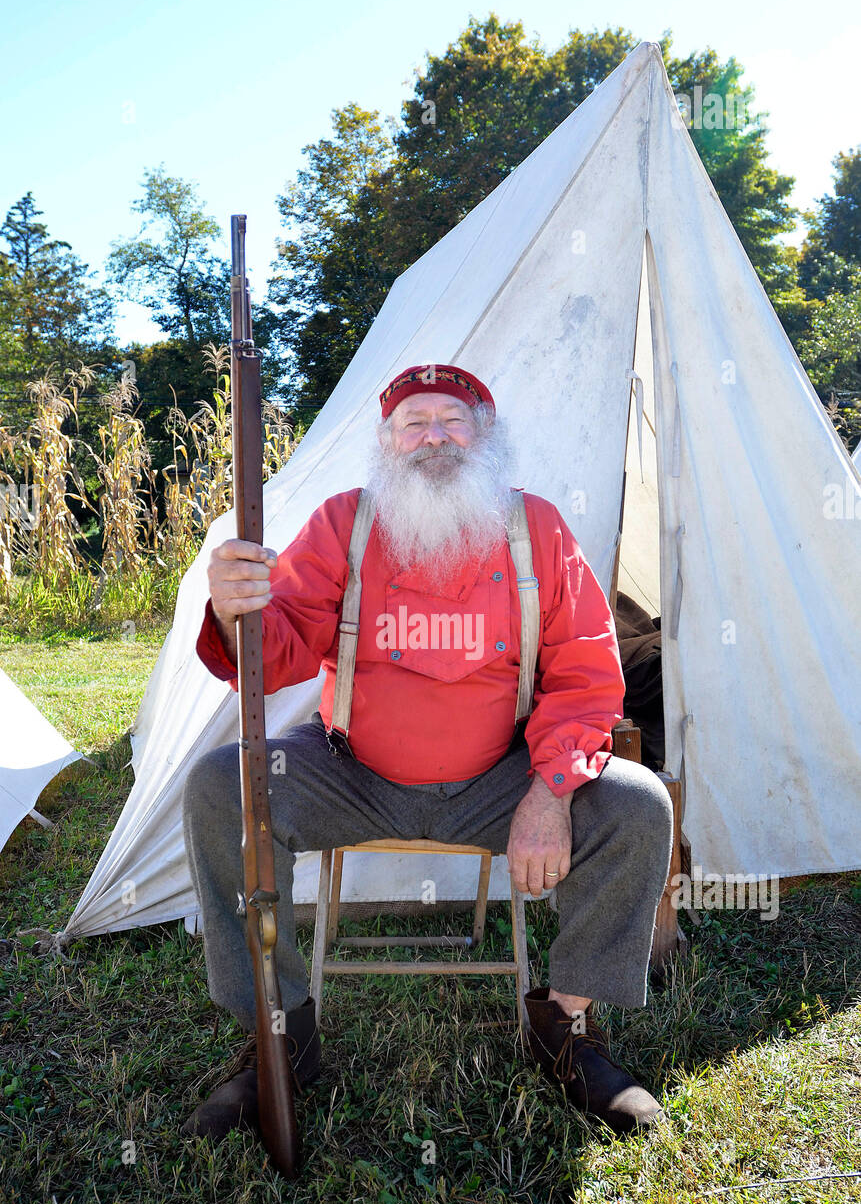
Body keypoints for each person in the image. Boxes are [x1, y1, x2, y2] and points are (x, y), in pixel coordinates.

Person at [181, 362, 674, 1142]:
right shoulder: (344, 522)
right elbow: (274, 657)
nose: (434, 437)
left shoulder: (535, 528)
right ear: (386, 444)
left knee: (637, 803)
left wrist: (549, 794)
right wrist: (234, 606)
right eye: (414, 423)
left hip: (499, 779)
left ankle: (564, 1026)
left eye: (453, 420)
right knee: (218, 785)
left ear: (486, 438)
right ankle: (280, 1032)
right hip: (353, 772)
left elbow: (584, 673)